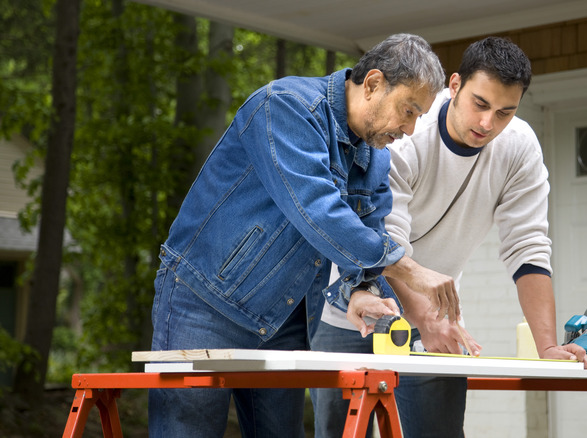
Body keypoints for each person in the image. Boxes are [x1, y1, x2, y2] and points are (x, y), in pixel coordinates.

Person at [148, 33, 458, 437]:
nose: (411, 127)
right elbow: (317, 210)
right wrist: (410, 270)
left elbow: (366, 234)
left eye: (420, 116)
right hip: (204, 300)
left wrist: (362, 290)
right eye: (408, 110)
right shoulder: (285, 107)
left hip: (283, 317)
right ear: (373, 83)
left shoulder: (376, 159)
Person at [311, 36, 587, 437]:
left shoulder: (519, 147)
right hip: (351, 308)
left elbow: (528, 248)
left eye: (505, 112)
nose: (487, 124)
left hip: (434, 320)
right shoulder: (404, 133)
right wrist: (425, 316)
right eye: (480, 104)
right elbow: (384, 241)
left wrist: (547, 346)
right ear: (455, 85)